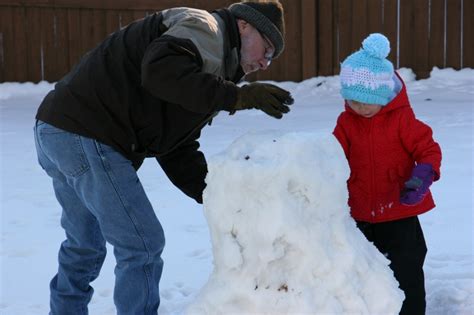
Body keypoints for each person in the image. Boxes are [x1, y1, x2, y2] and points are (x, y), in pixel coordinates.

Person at [33, 1, 294, 314]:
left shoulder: (211, 66)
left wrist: (215, 194)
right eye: (266, 48)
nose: (266, 62)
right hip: (88, 133)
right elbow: (159, 72)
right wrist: (236, 97)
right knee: (141, 243)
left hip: (57, 130)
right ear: (243, 26)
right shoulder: (204, 29)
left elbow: (175, 146)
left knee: (85, 245)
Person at [333, 33, 442, 315]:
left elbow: (429, 151)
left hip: (400, 213)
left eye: (365, 101)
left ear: (383, 95)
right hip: (358, 215)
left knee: (406, 273)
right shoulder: (346, 122)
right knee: (361, 273)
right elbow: (332, 156)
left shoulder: (403, 121)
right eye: (352, 100)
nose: (358, 107)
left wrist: (421, 177)